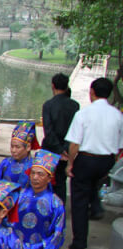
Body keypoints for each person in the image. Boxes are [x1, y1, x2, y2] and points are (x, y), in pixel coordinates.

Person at [65, 77, 123, 249]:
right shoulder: (118, 115)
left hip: (86, 158)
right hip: (106, 160)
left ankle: (79, 242)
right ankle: (96, 206)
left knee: (79, 199)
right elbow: (120, 144)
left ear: (92, 92)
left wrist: (70, 164)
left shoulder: (83, 114)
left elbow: (74, 144)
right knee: (93, 184)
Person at [14, 150, 65, 249]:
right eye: (33, 173)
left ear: (49, 178)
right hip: (16, 246)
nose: (35, 177)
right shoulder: (20, 195)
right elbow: (8, 222)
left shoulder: (55, 203)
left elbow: (57, 235)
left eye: (41, 174)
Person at [41, 73, 80, 203]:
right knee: (61, 180)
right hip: (66, 149)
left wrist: (58, 149)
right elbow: (74, 130)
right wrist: (65, 149)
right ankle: (60, 208)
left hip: (50, 150)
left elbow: (48, 130)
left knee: (45, 178)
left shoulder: (48, 105)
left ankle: (46, 206)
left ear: (53, 85)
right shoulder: (75, 106)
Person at [0, 121, 38, 187]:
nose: (13, 150)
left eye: (17, 147)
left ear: (28, 147)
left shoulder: (34, 167)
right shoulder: (5, 163)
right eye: (12, 146)